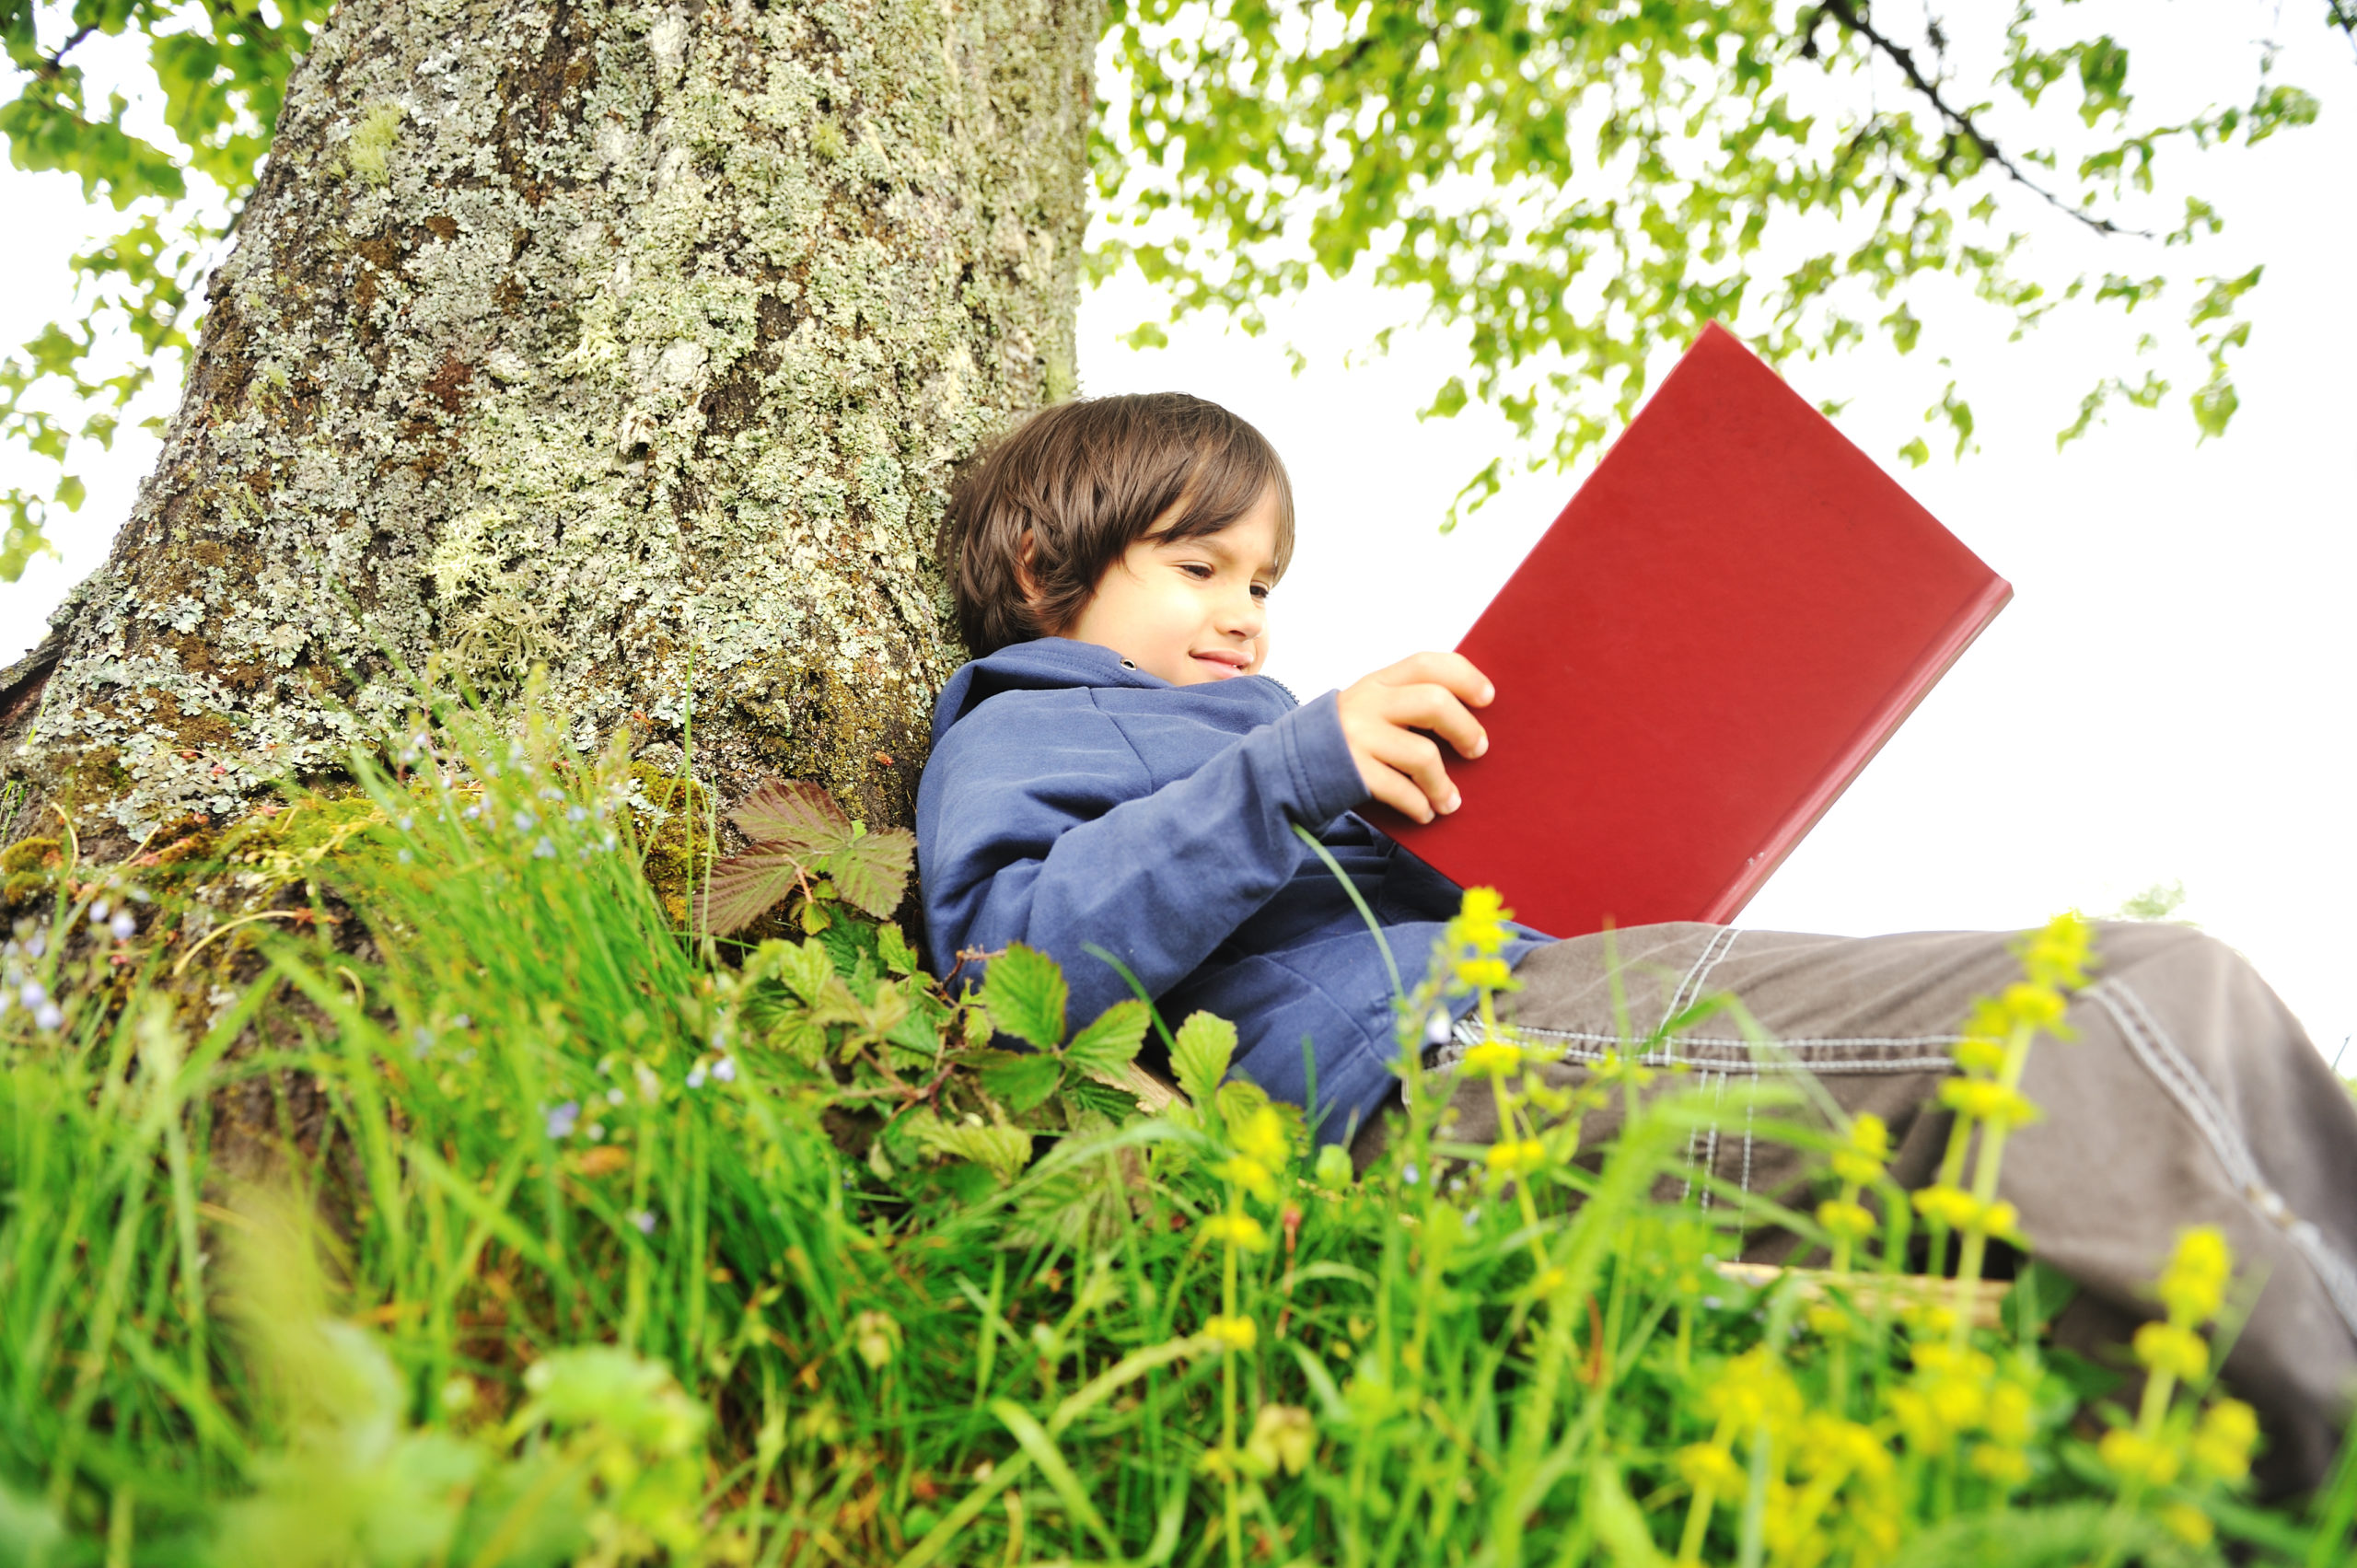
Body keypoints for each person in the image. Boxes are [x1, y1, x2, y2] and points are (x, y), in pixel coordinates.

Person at [913, 390, 2357, 1493]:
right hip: (1445, 1067)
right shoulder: (1035, 711)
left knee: (2174, 1010)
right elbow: (1010, 962)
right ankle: (2293, 1468)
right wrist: (1299, 763)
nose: (1245, 616)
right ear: (1048, 569)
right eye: (1199, 567)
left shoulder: (1244, 728)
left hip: (1543, 1004)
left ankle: (2229, 1450)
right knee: (2121, 1005)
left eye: (1265, 583)